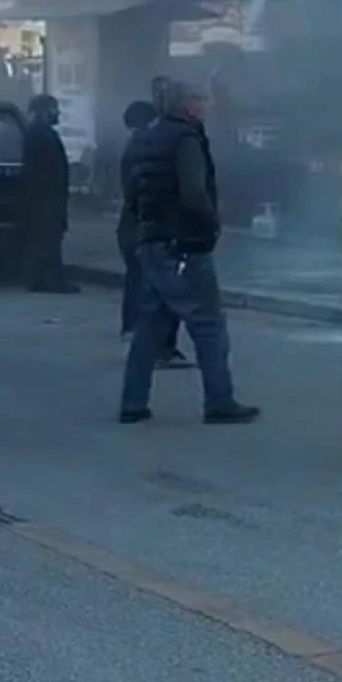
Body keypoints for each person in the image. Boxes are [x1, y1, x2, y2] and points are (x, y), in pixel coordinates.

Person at [118, 80, 259, 426]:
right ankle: (220, 400)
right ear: (189, 105)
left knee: (149, 327)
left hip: (151, 240)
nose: (207, 107)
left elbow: (131, 190)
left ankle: (133, 403)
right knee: (208, 325)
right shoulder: (187, 139)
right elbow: (194, 191)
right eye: (202, 101)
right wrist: (211, 223)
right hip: (183, 244)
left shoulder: (146, 137)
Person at [118, 101, 188, 368]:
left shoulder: (134, 146)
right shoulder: (147, 147)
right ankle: (154, 346)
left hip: (133, 224)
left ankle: (134, 333)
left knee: (138, 280)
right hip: (147, 225)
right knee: (156, 287)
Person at [21, 94, 79, 294]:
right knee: (50, 238)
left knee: (42, 238)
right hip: (47, 197)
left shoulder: (35, 133)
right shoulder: (43, 134)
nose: (58, 113)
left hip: (42, 197)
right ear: (44, 111)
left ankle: (37, 278)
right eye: (54, 109)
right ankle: (54, 280)